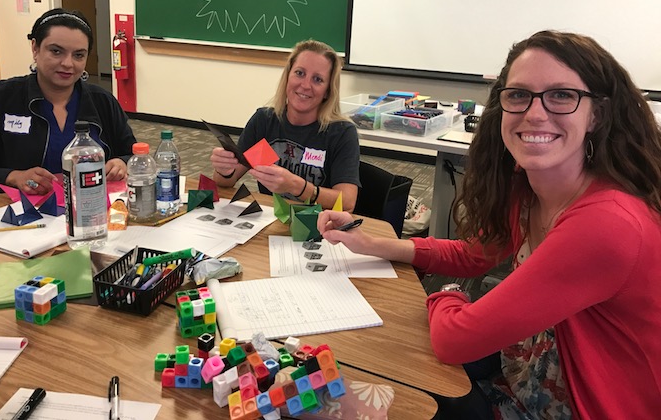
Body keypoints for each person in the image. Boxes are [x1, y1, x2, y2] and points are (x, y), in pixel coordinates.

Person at [317, 30, 661, 419]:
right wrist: (377, 244)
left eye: (562, 95)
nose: (535, 113)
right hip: (532, 366)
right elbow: (474, 254)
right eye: (519, 95)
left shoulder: (606, 223)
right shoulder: (531, 189)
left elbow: (455, 341)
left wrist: (446, 295)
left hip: (583, 404)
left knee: (395, 396)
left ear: (596, 113)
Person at [0, 8, 136, 197]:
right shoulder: (1, 98)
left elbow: (134, 156)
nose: (68, 63)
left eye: (78, 55)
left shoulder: (102, 101)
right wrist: (13, 177)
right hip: (20, 217)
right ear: (35, 48)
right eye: (56, 51)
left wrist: (122, 163)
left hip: (91, 213)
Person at [210, 39, 360, 211]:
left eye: (317, 79)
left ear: (327, 90)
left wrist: (297, 186)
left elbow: (347, 202)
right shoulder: (264, 122)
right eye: (299, 73)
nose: (305, 85)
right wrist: (224, 168)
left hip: (318, 226)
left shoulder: (341, 133)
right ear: (288, 76)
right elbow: (225, 182)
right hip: (270, 220)